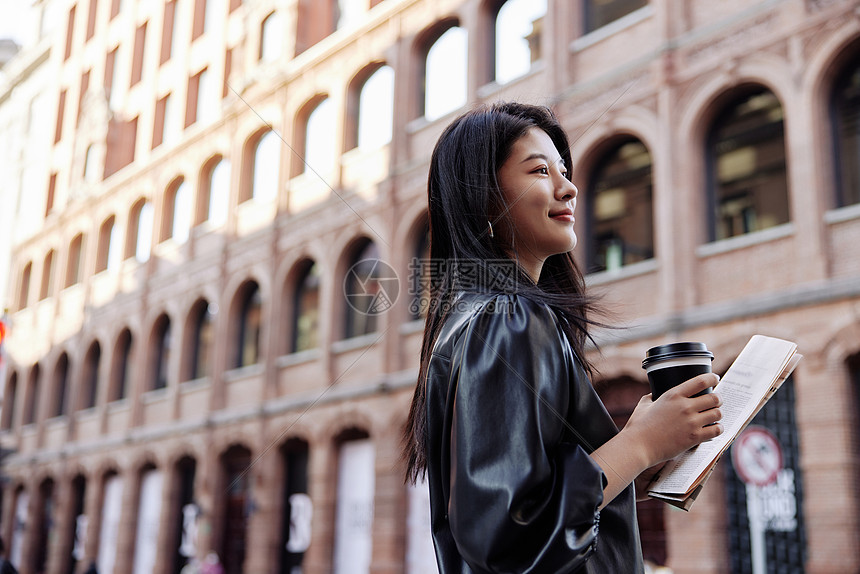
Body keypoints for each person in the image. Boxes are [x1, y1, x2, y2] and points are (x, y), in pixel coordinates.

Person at [401, 102, 723, 573]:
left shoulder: (480, 316)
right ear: (484, 198)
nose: (568, 187)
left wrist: (645, 447)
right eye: (539, 170)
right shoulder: (508, 317)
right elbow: (509, 534)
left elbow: (539, 504)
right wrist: (640, 445)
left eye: (564, 170)